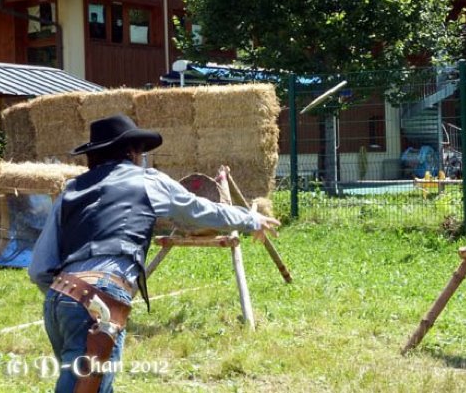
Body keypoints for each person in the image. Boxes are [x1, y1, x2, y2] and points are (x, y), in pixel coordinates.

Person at [28, 114, 280, 393]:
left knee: (87, 385)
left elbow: (39, 268)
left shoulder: (71, 190)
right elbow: (199, 211)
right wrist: (251, 220)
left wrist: (69, 296)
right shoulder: (147, 181)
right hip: (98, 301)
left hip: (58, 298)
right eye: (139, 151)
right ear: (131, 152)